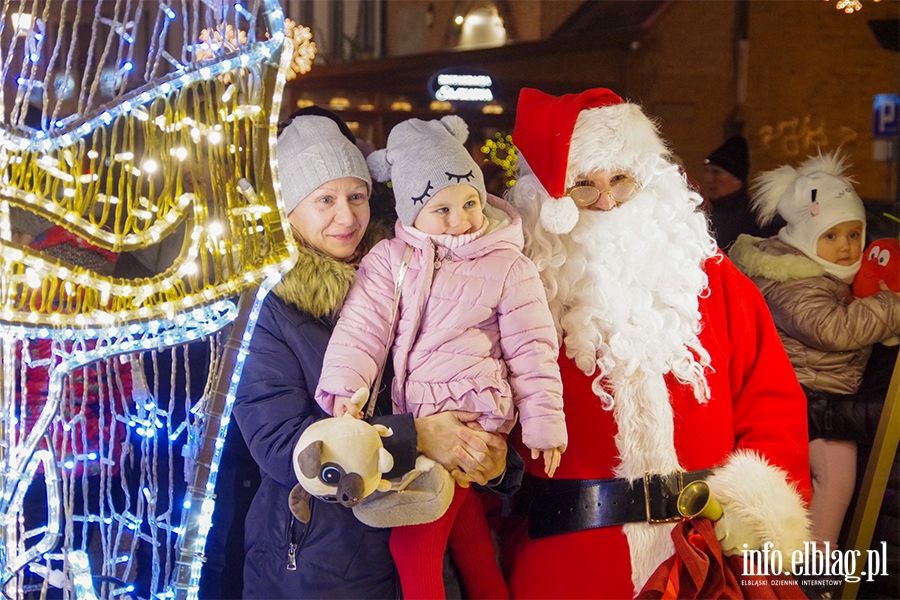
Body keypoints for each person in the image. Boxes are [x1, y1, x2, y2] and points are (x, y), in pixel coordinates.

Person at [501, 88, 812, 599]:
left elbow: (772, 403)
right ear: (548, 199)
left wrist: (757, 518)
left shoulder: (712, 279)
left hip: (708, 549)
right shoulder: (521, 290)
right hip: (569, 555)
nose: (606, 201)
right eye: (583, 187)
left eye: (621, 180)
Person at [231, 109, 518, 599]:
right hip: (322, 567)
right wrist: (416, 438)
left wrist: (494, 463)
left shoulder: (413, 272)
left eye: (356, 196)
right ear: (287, 209)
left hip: (428, 554)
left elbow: (478, 369)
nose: (347, 216)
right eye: (325, 199)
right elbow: (282, 445)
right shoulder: (267, 307)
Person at [315, 115, 565, 599]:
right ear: (411, 213)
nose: (460, 220)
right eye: (441, 209)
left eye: (469, 202)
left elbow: (532, 348)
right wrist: (345, 390)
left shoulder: (507, 263)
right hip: (420, 415)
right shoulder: (391, 258)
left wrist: (544, 422)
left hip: (471, 411)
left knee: (414, 547)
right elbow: (363, 327)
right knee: (468, 538)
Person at [728, 151, 900, 548]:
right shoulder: (793, 281)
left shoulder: (824, 273)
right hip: (811, 401)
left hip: (819, 397)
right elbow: (833, 329)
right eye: (831, 236)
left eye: (854, 234)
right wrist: (892, 305)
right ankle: (813, 575)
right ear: (805, 238)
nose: (846, 247)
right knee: (835, 483)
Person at [702, 135, 779, 249]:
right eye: (707, 171)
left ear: (737, 178)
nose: (708, 179)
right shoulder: (702, 214)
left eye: (716, 172)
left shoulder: (758, 220)